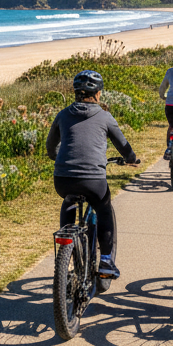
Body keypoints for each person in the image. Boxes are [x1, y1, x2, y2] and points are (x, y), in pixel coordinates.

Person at [46, 70, 141, 279]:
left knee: (69, 200)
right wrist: (132, 158)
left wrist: (58, 158)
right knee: (104, 210)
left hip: (62, 178)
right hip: (93, 180)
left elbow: (50, 146)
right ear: (98, 93)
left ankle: (67, 251)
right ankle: (106, 261)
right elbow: (122, 145)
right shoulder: (104, 116)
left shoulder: (62, 115)